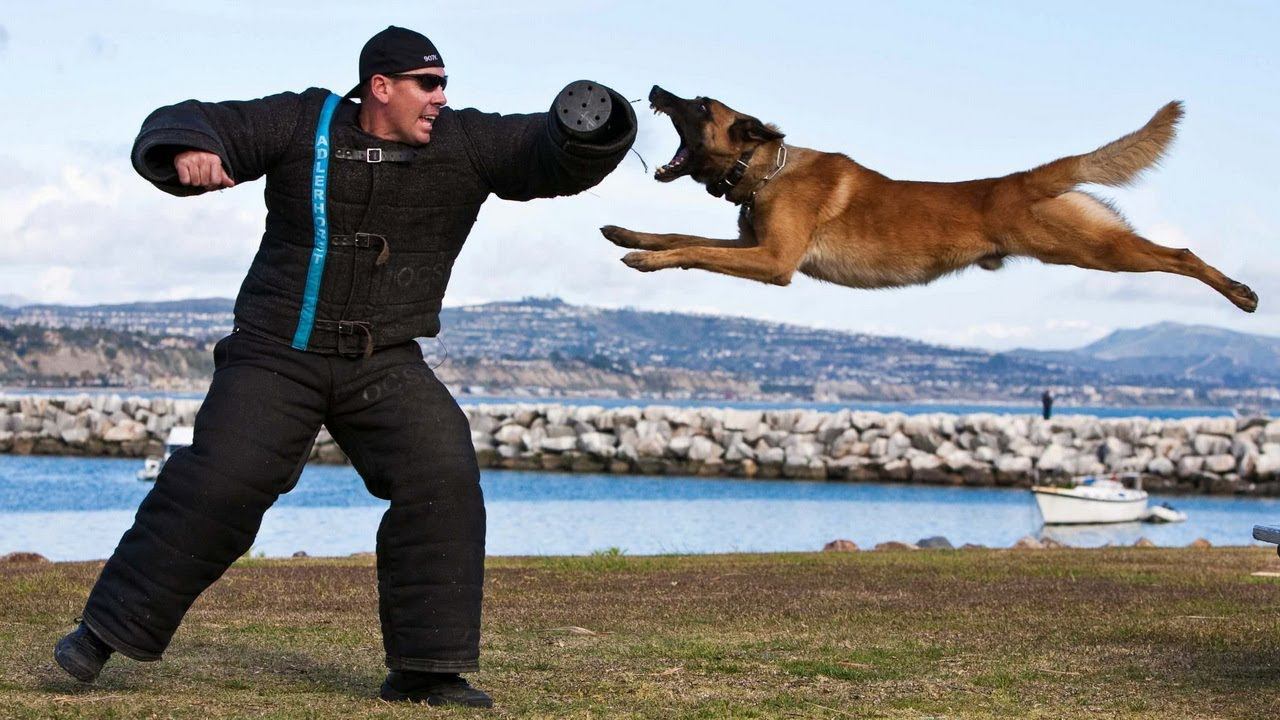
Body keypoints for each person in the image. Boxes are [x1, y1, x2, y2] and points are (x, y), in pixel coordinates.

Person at [53, 26, 636, 708]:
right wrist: (188, 149)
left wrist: (587, 130)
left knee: (442, 474)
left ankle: (426, 671)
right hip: (277, 353)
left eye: (444, 85)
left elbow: (545, 155)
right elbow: (200, 121)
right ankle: (101, 635)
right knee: (221, 482)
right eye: (428, 84)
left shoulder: (465, 142)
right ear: (380, 87)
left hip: (383, 361)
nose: (441, 98)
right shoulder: (303, 121)